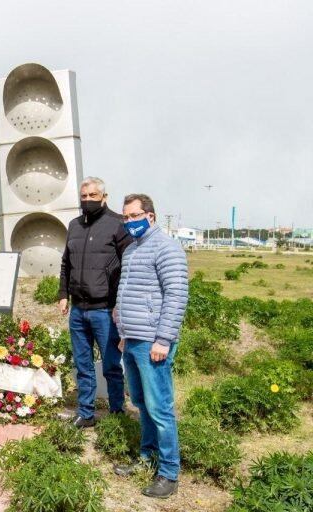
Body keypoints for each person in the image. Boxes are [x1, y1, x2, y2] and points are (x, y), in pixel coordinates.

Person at [113, 193, 188, 499]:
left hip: (152, 343)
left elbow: (176, 295)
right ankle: (147, 456)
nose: (129, 222)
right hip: (132, 340)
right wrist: (123, 332)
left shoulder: (167, 248)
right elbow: (126, 294)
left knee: (160, 408)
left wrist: (163, 339)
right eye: (126, 217)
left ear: (151, 216)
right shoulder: (132, 250)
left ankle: (169, 472)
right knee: (141, 403)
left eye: (134, 216)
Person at [58, 176, 131, 428]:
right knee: (83, 365)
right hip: (78, 310)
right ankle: (86, 413)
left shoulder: (118, 225)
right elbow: (66, 262)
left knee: (111, 364)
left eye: (93, 196)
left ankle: (117, 413)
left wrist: (120, 303)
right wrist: (62, 294)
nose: (87, 200)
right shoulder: (74, 225)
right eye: (84, 196)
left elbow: (128, 267)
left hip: (105, 309)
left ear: (104, 197)